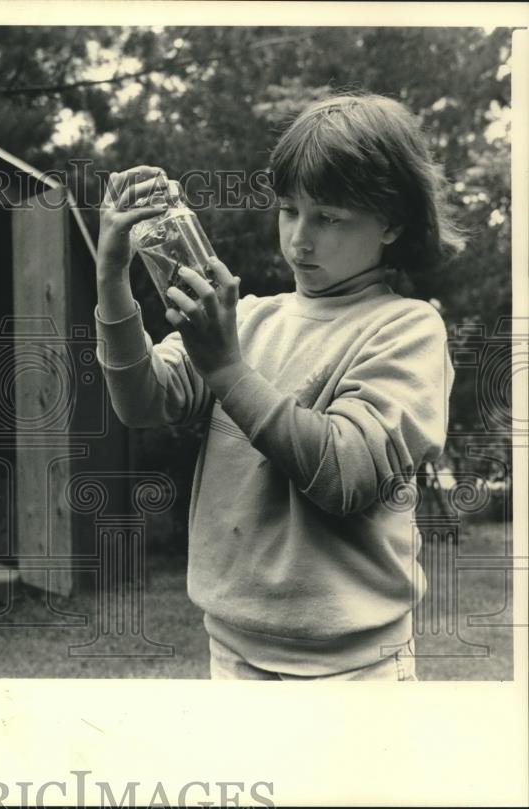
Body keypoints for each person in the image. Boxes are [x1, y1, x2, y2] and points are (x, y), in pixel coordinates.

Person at [94, 92, 464, 680]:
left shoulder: (407, 327)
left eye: (330, 217)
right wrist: (112, 276)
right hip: (233, 654)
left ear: (391, 221)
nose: (299, 240)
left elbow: (345, 475)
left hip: (354, 670)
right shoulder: (249, 319)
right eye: (290, 210)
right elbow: (142, 404)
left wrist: (226, 370)